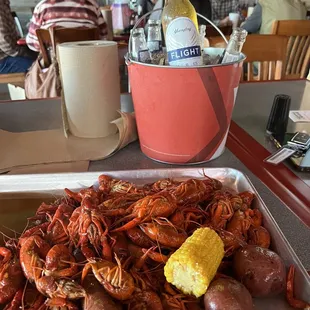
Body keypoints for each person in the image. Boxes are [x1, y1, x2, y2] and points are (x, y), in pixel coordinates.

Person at [26, 0, 108, 52]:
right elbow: (104, 38)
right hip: (88, 64)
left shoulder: (43, 6)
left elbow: (33, 44)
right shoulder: (92, 5)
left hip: (55, 69)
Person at [0, 0, 36, 74]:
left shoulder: (4, 4)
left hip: (8, 54)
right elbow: (6, 45)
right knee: (41, 68)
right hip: (3, 59)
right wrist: (26, 53)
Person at [241, 0, 307, 34]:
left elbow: (248, 28)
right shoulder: (301, 5)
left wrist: (241, 25)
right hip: (295, 58)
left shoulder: (266, 2)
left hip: (269, 57)